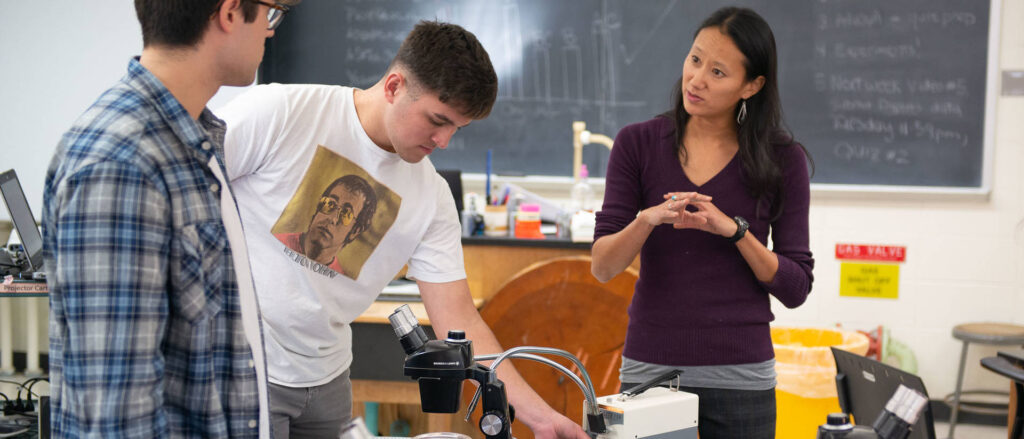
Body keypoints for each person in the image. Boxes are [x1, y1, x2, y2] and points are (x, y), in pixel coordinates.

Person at [218, 20, 588, 439]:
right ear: (394, 86)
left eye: (457, 128)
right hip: (242, 368)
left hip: (328, 380)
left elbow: (459, 318)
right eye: (437, 120)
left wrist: (540, 418)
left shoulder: (430, 195)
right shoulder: (281, 113)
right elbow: (180, 192)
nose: (444, 140)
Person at [42, 0, 298, 437]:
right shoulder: (123, 164)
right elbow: (117, 418)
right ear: (231, 12)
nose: (271, 31)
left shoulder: (192, 136)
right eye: (271, 13)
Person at [590, 7, 814, 439]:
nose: (696, 80)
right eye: (695, 60)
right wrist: (646, 220)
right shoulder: (637, 144)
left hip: (742, 373)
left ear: (751, 85)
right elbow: (602, 267)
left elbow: (795, 287)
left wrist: (735, 232)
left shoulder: (783, 159)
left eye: (718, 72)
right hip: (650, 369)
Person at [274, 175, 378, 275]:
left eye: (345, 214)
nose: (332, 218)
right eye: (330, 204)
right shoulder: (276, 243)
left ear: (354, 231)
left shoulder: (340, 282)